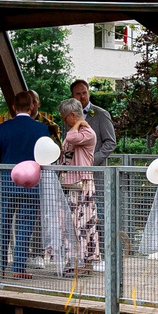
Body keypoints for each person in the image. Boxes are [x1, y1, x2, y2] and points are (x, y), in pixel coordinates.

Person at [0, 89, 53, 277]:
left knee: (3, 225)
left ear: (14, 108)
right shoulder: (41, 129)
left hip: (7, 183)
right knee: (25, 226)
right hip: (31, 184)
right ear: (32, 107)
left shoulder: (2, 129)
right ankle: (18, 268)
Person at [57, 97, 103, 275]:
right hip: (70, 182)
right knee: (70, 223)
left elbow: (71, 137)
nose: (64, 121)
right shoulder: (79, 131)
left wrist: (78, 124)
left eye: (65, 117)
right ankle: (75, 260)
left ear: (72, 115)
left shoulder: (87, 133)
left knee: (84, 223)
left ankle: (86, 261)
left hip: (82, 183)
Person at [69, 79, 116, 166]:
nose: (82, 96)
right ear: (72, 96)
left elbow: (110, 142)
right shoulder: (69, 116)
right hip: (74, 170)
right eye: (78, 94)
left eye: (84, 93)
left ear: (89, 93)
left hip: (96, 171)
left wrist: (92, 160)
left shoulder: (102, 114)